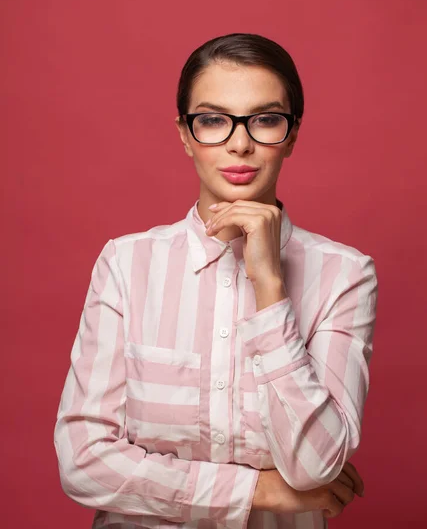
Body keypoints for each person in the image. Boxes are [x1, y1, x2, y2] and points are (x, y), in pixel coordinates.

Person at [54, 33, 378, 529]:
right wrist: (258, 490)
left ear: (291, 135)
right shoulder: (126, 263)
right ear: (185, 134)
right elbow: (82, 461)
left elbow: (317, 464)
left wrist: (269, 283)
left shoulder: (344, 275)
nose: (240, 142)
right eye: (212, 120)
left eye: (266, 119)